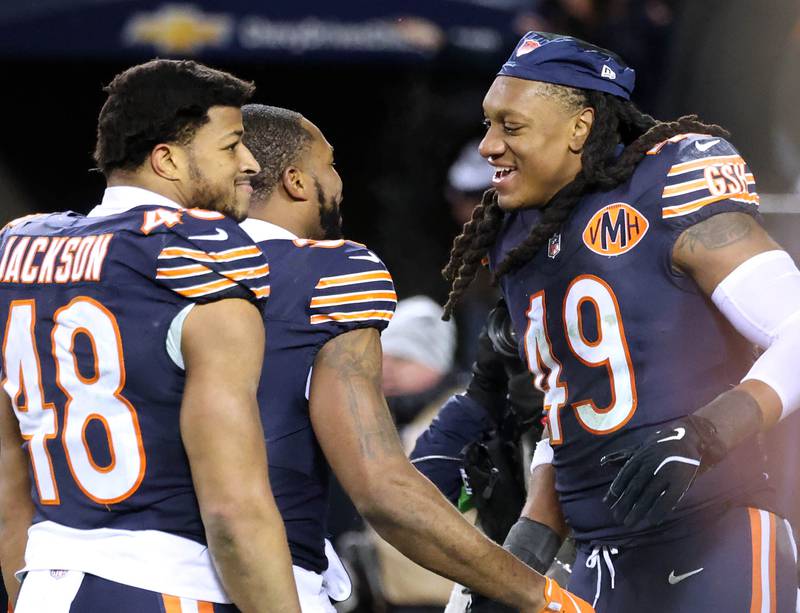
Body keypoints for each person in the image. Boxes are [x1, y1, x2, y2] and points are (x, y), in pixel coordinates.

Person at [441, 31, 800, 611]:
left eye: (511, 126)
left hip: (715, 535)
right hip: (599, 561)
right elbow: (572, 406)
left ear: (581, 126)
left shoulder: (664, 187)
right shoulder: (519, 235)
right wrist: (529, 542)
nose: (488, 146)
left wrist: (710, 430)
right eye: (488, 123)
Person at [238, 103, 593, 613]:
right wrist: (533, 591)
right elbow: (388, 488)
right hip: (266, 572)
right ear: (294, 180)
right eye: (331, 165)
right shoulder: (332, 271)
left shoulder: (157, 260)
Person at [0, 60, 301, 612]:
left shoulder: (21, 250)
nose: (251, 165)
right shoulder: (197, 253)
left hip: (46, 585)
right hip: (167, 586)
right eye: (231, 145)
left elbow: (7, 472)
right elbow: (233, 510)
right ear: (167, 158)